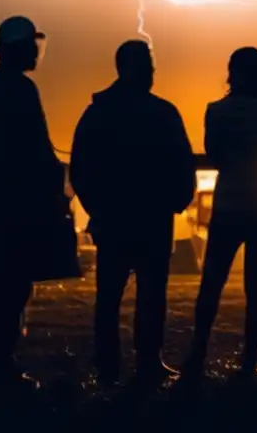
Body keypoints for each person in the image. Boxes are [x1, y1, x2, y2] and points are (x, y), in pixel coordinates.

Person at [69, 40, 196, 387]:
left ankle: (111, 366)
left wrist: (97, 207)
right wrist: (177, 200)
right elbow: (183, 163)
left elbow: (80, 166)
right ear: (131, 68)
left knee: (110, 298)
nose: (153, 73)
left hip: (115, 219)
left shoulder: (98, 113)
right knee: (150, 296)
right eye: (149, 66)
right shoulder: (162, 113)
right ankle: (146, 362)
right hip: (151, 220)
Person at [0, 15, 68, 391]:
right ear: (20, 49)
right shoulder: (20, 89)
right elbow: (37, 149)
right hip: (15, 206)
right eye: (32, 46)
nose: (38, 51)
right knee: (11, 284)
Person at [182, 47, 257, 377]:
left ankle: (198, 350)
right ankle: (249, 359)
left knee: (212, 281)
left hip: (230, 201)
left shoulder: (216, 111)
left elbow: (215, 155)